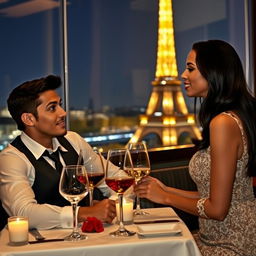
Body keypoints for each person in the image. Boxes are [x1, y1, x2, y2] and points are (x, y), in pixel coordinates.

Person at [134, 40, 256, 255]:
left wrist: (165, 198)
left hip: (232, 242)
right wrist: (165, 189)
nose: (183, 75)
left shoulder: (223, 123)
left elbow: (217, 209)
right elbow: (214, 196)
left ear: (214, 72)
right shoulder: (234, 117)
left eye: (190, 68)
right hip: (220, 235)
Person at [0, 75, 117, 230]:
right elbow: (24, 212)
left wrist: (112, 206)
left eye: (60, 105)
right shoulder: (12, 158)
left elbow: (117, 179)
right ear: (29, 119)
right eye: (52, 108)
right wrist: (84, 212)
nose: (63, 113)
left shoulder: (73, 140)